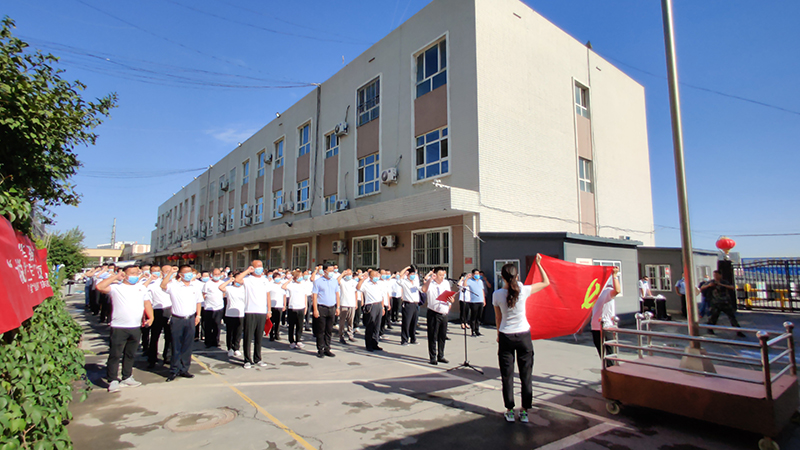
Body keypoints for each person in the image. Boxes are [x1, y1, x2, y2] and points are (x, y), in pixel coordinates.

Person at [493, 255, 549, 423]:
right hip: (524, 336)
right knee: (526, 375)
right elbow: (546, 282)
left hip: (505, 336)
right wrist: (538, 264)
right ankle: (524, 411)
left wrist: (498, 334)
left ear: (502, 277)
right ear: (517, 276)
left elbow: (498, 318)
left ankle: (510, 410)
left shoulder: (497, 294)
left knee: (507, 376)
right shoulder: (523, 290)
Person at [96, 266, 154, 392]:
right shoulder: (116, 288)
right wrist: (115, 277)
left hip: (135, 326)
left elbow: (147, 303)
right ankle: (112, 379)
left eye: (136, 272)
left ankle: (127, 376)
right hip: (119, 327)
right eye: (132, 273)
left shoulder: (141, 288)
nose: (135, 275)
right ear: (125, 274)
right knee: (115, 354)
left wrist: (151, 316)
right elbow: (100, 287)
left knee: (130, 354)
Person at [160, 265, 203, 381]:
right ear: (181, 274)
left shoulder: (195, 287)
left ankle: (184, 369)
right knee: (176, 345)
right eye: (186, 272)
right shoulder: (174, 285)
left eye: (190, 272)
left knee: (187, 346)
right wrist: (170, 273)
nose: (189, 274)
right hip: (177, 319)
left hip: (190, 319)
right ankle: (174, 370)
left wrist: (198, 315)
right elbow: (163, 285)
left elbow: (198, 301)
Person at [235, 261, 271, 369]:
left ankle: (258, 358)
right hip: (250, 311)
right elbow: (237, 280)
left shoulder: (265, 280)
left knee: (259, 337)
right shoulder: (248, 280)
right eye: (257, 266)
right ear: (252, 268)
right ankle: (247, 359)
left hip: (262, 311)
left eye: (261, 266)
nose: (260, 268)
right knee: (248, 336)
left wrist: (269, 310)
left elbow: (268, 296)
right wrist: (247, 271)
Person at [421, 267, 455, 365]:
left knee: (442, 336)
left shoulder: (446, 283)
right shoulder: (430, 283)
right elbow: (423, 289)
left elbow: (450, 297)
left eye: (443, 275)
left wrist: (451, 301)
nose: (442, 277)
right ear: (435, 275)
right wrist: (430, 279)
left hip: (444, 312)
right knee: (433, 335)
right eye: (440, 275)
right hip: (433, 312)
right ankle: (433, 357)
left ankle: (441, 355)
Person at [702, 270, 745, 337]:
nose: (715, 276)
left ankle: (738, 331)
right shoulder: (711, 282)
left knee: (732, 317)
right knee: (713, 317)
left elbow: (732, 287)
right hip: (716, 303)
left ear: (720, 275)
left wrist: (721, 285)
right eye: (714, 275)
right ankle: (710, 329)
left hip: (725, 302)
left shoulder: (724, 282)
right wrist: (709, 285)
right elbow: (702, 287)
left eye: (717, 275)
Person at [590, 267, 621, 360]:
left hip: (606, 327)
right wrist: (581, 326)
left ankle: (612, 373)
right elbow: (591, 312)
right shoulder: (595, 294)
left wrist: (614, 276)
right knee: (603, 356)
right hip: (595, 328)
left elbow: (617, 290)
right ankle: (607, 373)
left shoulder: (607, 291)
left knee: (609, 355)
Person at [145, 265, 172, 369]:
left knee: (169, 336)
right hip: (157, 310)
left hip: (170, 310)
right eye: (167, 271)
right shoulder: (154, 283)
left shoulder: (175, 283)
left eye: (170, 271)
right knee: (155, 336)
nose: (169, 273)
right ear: (162, 272)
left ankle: (168, 356)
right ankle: (152, 358)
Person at [312, 263, 341, 358]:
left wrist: (338, 307)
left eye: (333, 270)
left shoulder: (334, 281)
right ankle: (320, 349)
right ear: (325, 271)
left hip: (332, 307)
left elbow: (337, 294)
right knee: (321, 330)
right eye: (330, 271)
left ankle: (327, 348)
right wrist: (315, 309)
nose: (332, 272)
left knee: (329, 330)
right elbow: (315, 296)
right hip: (322, 308)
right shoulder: (318, 282)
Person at [357, 269, 388, 352]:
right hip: (371, 305)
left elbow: (382, 296)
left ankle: (375, 343)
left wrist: (382, 307)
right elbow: (358, 287)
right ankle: (369, 344)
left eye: (377, 275)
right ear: (370, 277)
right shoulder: (366, 284)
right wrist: (362, 279)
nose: (377, 277)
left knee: (377, 326)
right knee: (370, 325)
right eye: (375, 276)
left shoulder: (379, 284)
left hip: (378, 305)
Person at [219, 274, 245, 357]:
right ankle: (230, 348)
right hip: (230, 313)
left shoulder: (244, 289)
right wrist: (229, 280)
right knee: (230, 332)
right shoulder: (230, 288)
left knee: (238, 332)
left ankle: (236, 348)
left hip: (241, 313)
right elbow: (221, 287)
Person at [283, 270, 308, 349]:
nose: (300, 278)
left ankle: (298, 340)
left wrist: (306, 306)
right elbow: (283, 286)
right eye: (299, 276)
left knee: (300, 325)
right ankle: (291, 341)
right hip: (292, 307)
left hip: (301, 307)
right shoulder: (291, 285)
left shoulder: (303, 285)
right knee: (291, 325)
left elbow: (305, 296)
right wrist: (289, 280)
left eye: (301, 276)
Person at [397, 266, 421, 346]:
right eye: (411, 274)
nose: (413, 275)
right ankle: (404, 340)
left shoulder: (415, 281)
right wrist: (406, 269)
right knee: (406, 323)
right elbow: (399, 279)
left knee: (414, 322)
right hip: (408, 304)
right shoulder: (404, 282)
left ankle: (413, 339)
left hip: (415, 304)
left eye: (414, 274)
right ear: (407, 275)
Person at [201, 269, 225, 348]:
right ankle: (208, 342)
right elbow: (204, 294)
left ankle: (216, 341)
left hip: (219, 307)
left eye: (218, 274)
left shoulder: (222, 283)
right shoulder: (208, 284)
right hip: (209, 308)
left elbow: (224, 294)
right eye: (215, 274)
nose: (217, 276)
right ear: (212, 275)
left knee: (217, 325)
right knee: (208, 326)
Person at [337, 269, 359, 345]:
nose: (349, 275)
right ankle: (341, 336)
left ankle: (350, 335)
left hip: (352, 303)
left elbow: (356, 292)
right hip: (344, 303)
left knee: (350, 321)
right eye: (347, 274)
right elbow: (337, 281)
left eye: (350, 274)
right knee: (342, 321)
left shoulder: (354, 282)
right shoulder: (342, 281)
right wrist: (342, 274)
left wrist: (356, 303)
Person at [465, 269, 486, 336]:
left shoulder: (480, 281)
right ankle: (473, 330)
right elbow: (464, 285)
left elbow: (482, 290)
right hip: (474, 301)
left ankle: (477, 330)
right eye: (476, 274)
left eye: (478, 274)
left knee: (479, 317)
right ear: (473, 274)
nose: (477, 275)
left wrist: (484, 300)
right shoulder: (470, 281)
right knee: (474, 316)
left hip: (480, 301)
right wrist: (467, 278)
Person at [268, 271, 287, 341]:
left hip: (279, 305)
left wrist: (284, 305)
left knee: (278, 321)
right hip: (272, 305)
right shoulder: (270, 285)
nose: (278, 279)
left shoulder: (282, 286)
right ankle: (271, 335)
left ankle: (277, 334)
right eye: (276, 277)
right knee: (271, 321)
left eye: (279, 277)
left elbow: (284, 296)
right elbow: (267, 295)